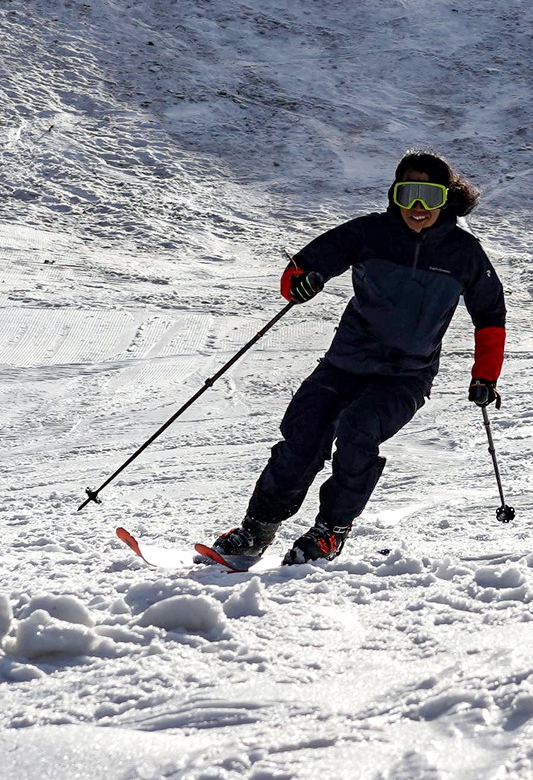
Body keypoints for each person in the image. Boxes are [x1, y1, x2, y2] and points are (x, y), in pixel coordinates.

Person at [206, 150, 507, 568]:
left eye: (429, 196)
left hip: (405, 376)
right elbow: (302, 268)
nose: (418, 208)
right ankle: (257, 530)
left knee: (358, 430)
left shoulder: (464, 253)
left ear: (446, 198)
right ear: (395, 196)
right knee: (303, 436)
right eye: (408, 195)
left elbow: (490, 316)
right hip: (345, 362)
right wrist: (301, 283)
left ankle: (331, 530)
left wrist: (485, 376)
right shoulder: (369, 233)